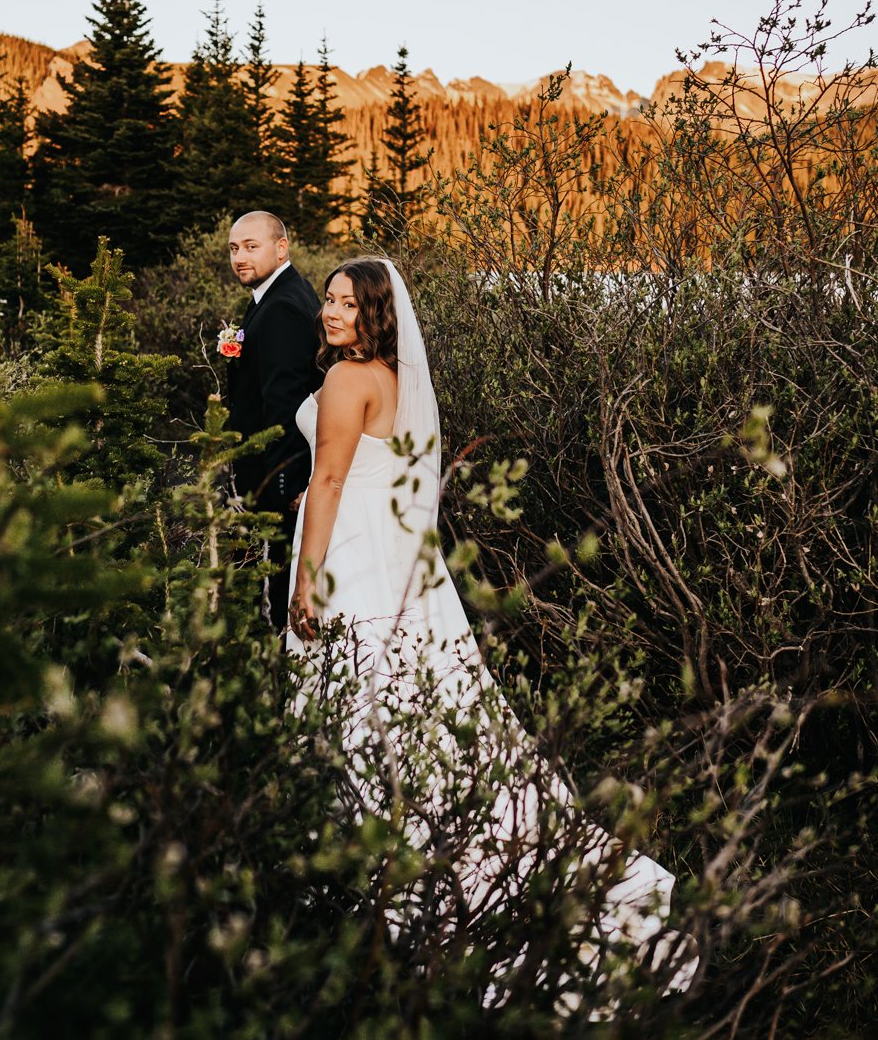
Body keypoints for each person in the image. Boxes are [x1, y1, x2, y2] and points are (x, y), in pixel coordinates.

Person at [285, 257, 694, 1001]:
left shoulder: (347, 380)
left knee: (354, 702)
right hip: (398, 556)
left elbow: (333, 480)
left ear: (377, 312)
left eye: (347, 303)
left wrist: (309, 574)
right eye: (329, 301)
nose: (331, 312)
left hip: (349, 553)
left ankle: (367, 868)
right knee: (422, 702)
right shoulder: (397, 379)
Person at [223, 210, 323, 633]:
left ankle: (277, 674)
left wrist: (281, 486)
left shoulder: (282, 307)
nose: (239, 257)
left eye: (251, 246)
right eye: (233, 249)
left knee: (281, 590)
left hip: (280, 482)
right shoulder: (277, 294)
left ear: (281, 247)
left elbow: (285, 405)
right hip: (273, 474)